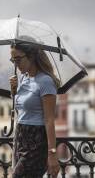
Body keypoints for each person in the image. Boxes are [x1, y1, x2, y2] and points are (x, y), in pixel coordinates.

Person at [10, 40, 61, 178]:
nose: (15, 64)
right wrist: (13, 92)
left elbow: (49, 119)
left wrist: (52, 154)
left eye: (18, 59)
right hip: (21, 136)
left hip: (36, 140)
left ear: (31, 57)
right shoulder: (23, 79)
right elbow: (21, 110)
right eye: (12, 60)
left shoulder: (45, 81)